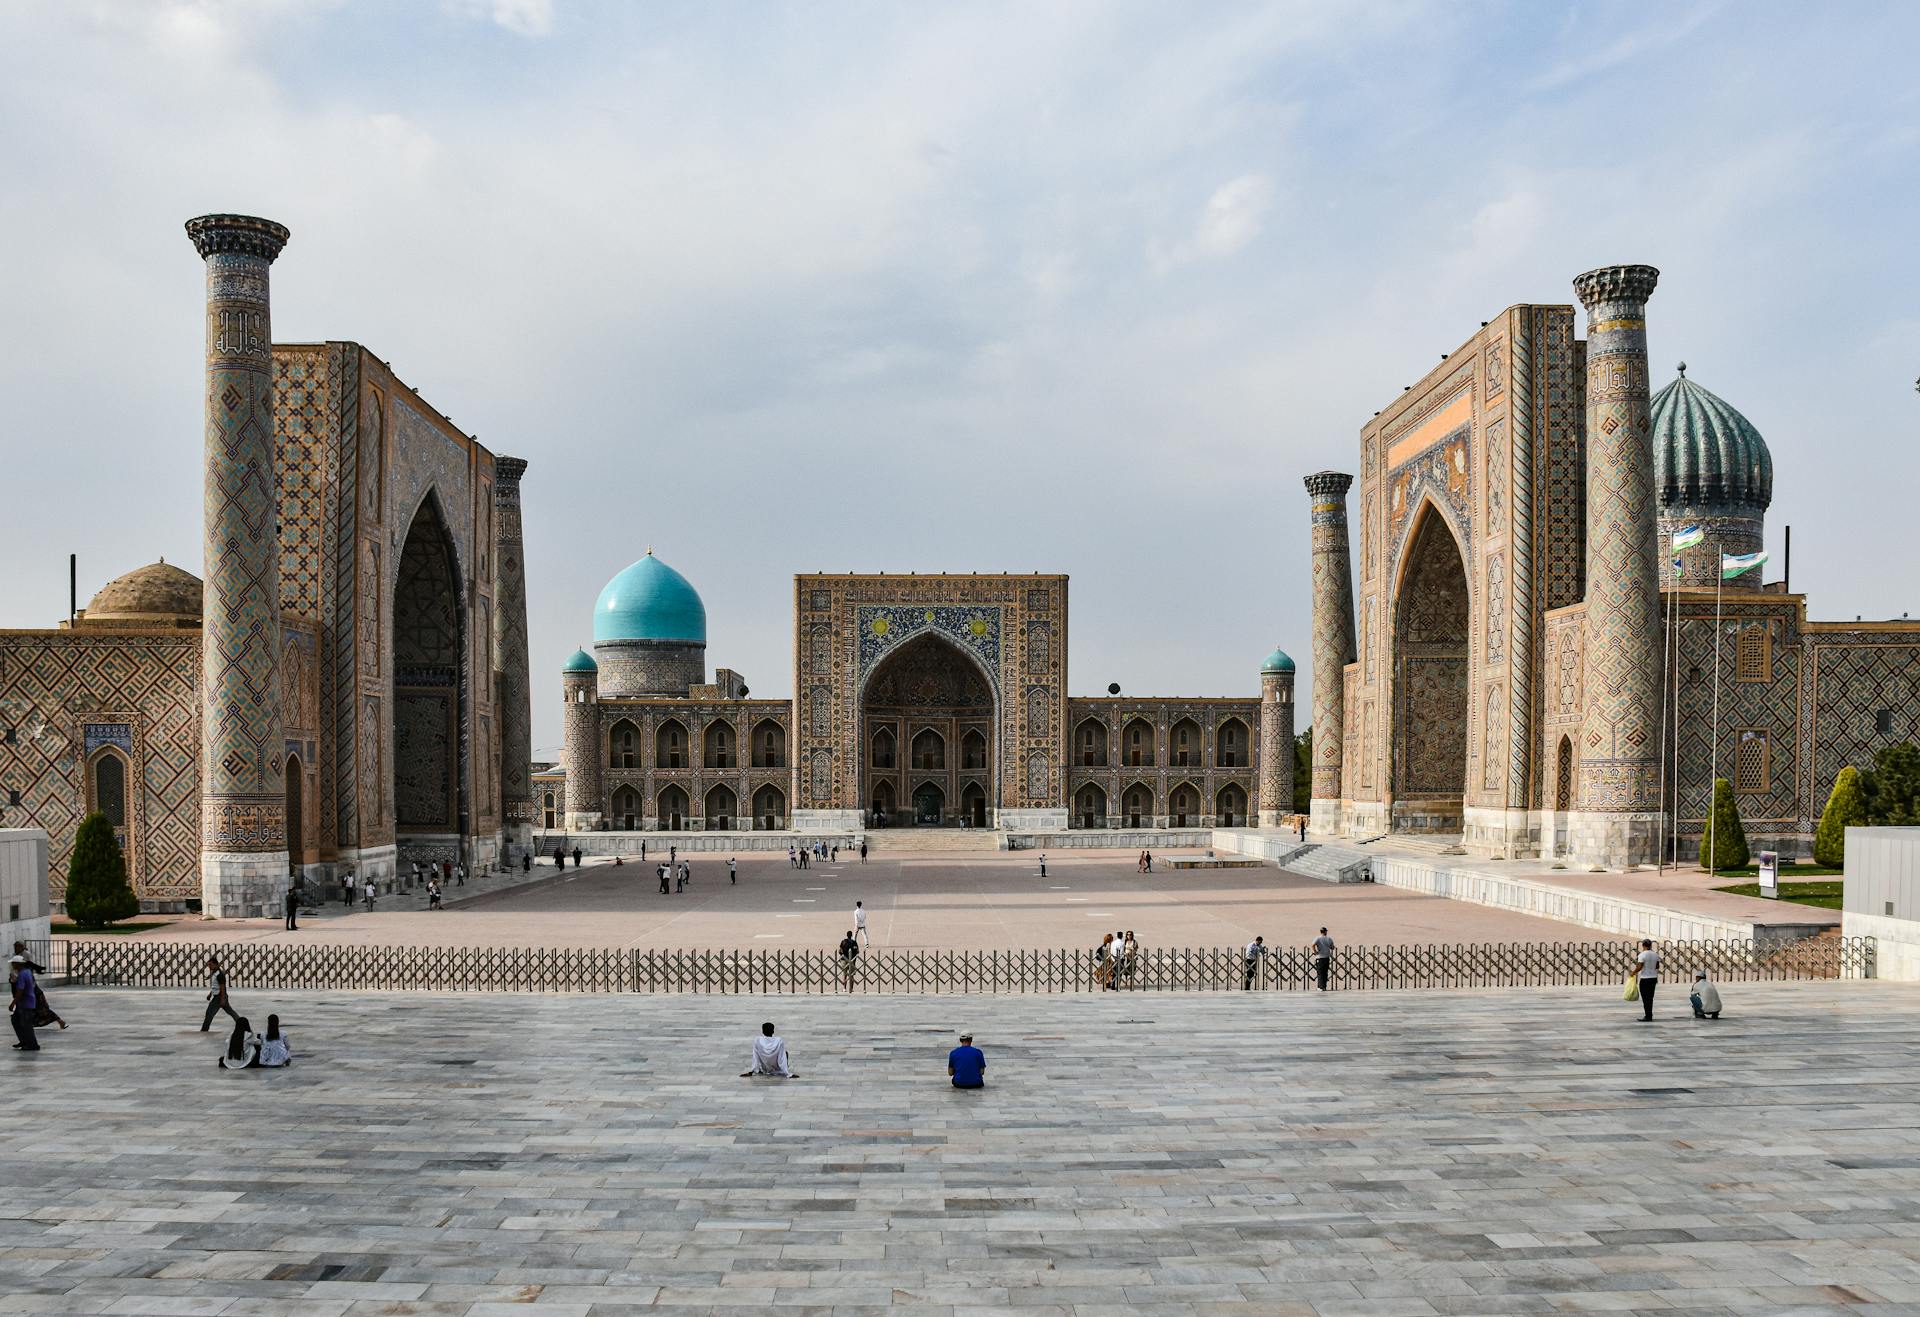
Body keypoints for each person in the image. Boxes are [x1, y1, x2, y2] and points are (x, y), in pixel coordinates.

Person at [9, 955, 40, 1052]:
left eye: (13, 963)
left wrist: (13, 1003)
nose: (12, 965)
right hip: (25, 1002)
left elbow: (20, 991)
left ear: (18, 964)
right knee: (16, 1020)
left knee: (26, 1025)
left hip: (26, 1003)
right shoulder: (26, 972)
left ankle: (32, 1045)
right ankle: (24, 1041)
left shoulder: (22, 974)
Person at [200, 956, 238, 1031]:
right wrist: (210, 994)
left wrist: (222, 999)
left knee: (209, 1013)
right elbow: (216, 985)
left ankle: (204, 1030)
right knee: (230, 1011)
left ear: (216, 964)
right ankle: (240, 1022)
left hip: (218, 997)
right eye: (208, 965)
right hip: (218, 996)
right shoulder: (215, 973)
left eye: (211, 965)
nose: (209, 967)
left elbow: (222, 988)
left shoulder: (220, 975)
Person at [1632, 939, 1661, 1021]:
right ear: (1650, 945)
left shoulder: (1642, 955)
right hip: (1653, 978)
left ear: (1643, 945)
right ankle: (1649, 1014)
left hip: (1645, 979)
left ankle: (1648, 1016)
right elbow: (1657, 966)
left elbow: (1639, 967)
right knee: (1650, 997)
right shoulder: (1655, 955)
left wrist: (1633, 973)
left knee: (1645, 998)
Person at [1311, 926, 1335, 991]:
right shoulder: (1329, 939)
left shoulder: (1318, 938)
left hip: (1319, 957)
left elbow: (1313, 944)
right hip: (1326, 957)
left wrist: (1315, 951)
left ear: (1321, 932)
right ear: (1325, 932)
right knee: (1325, 972)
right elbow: (1332, 947)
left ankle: (1320, 987)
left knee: (1320, 972)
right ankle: (1323, 986)